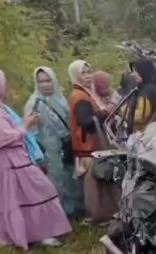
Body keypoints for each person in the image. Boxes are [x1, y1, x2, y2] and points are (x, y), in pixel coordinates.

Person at [0, 69, 72, 250]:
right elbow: (3, 137)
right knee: (35, 193)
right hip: (7, 165)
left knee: (31, 196)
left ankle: (38, 234)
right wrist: (25, 126)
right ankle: (38, 235)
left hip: (13, 163)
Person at [24, 67, 84, 218]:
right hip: (49, 149)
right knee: (57, 181)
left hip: (67, 145)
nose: (45, 84)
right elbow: (31, 132)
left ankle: (77, 209)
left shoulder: (60, 98)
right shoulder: (34, 103)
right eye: (41, 81)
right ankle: (61, 213)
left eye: (48, 80)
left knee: (72, 176)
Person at [68, 60, 120, 225]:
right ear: (76, 75)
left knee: (101, 180)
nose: (88, 76)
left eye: (89, 72)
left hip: (91, 145)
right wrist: (106, 111)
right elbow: (87, 122)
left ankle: (104, 214)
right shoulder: (80, 96)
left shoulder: (86, 93)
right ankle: (97, 216)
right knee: (95, 182)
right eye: (83, 73)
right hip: (88, 146)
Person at [128, 59, 156, 133]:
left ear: (144, 72)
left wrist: (123, 111)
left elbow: (140, 116)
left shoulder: (147, 91)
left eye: (136, 71)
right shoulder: (155, 88)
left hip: (147, 134)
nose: (133, 74)